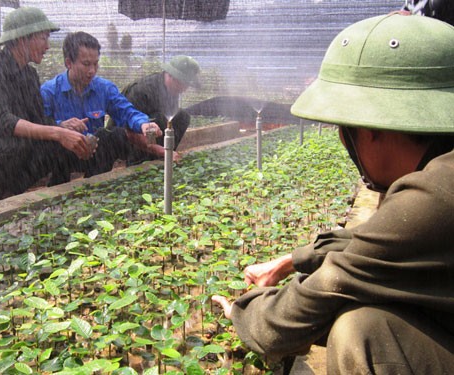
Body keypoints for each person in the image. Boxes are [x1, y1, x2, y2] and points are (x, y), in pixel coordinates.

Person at [212, 13, 454, 374]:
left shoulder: (436, 195)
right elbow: (381, 246)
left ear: (372, 128)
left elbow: (328, 288)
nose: (342, 139)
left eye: (344, 127)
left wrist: (247, 313)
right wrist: (291, 261)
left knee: (360, 332)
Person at [0, 7, 93, 208]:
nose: (47, 46)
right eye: (43, 38)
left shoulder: (28, 76)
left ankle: (4, 195)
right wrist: (56, 132)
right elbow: (2, 122)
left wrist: (63, 127)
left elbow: (37, 121)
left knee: (49, 146)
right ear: (22, 39)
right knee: (18, 143)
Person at [41, 31, 164, 179]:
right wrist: (60, 127)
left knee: (111, 136)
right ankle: (58, 184)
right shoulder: (49, 91)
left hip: (94, 153)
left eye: (95, 63)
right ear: (69, 63)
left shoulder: (104, 88)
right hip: (63, 155)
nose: (92, 70)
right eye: (86, 64)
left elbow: (125, 111)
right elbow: (40, 126)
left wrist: (143, 124)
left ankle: (97, 183)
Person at [111, 54, 201, 165]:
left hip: (149, 139)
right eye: (185, 84)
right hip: (121, 141)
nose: (185, 89)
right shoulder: (142, 91)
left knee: (182, 116)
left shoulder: (172, 90)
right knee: (156, 119)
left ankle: (161, 159)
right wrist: (163, 151)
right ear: (173, 77)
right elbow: (129, 133)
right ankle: (140, 164)